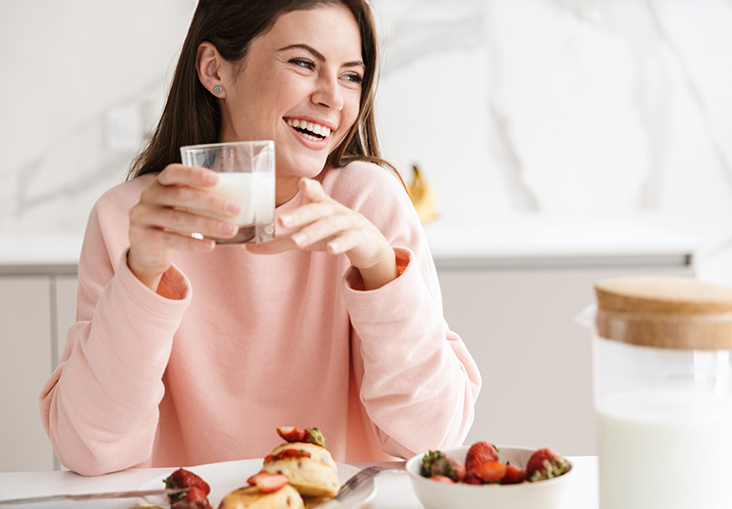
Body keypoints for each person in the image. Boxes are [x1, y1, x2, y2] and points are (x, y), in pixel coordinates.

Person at [39, 0, 481, 476]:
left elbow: (432, 439)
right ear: (215, 70)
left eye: (351, 76)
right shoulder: (126, 217)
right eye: (304, 63)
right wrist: (142, 275)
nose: (333, 97)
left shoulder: (369, 201)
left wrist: (379, 269)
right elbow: (88, 449)